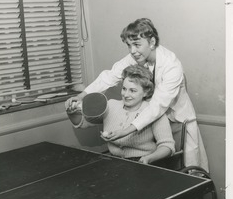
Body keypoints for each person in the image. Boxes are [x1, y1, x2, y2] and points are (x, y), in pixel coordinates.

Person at [65, 18, 208, 171]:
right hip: (151, 119)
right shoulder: (136, 56)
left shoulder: (171, 65)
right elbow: (110, 75)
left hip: (177, 118)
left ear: (152, 42)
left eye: (137, 45)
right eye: (129, 45)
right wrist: (82, 95)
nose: (132, 51)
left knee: (188, 170)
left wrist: (125, 132)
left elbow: (156, 106)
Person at [69, 65, 175, 164]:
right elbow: (84, 123)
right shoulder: (111, 105)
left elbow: (167, 146)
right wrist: (71, 113)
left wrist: (148, 158)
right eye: (124, 89)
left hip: (143, 163)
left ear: (146, 92)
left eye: (132, 91)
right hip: (114, 161)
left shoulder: (154, 111)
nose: (126, 94)